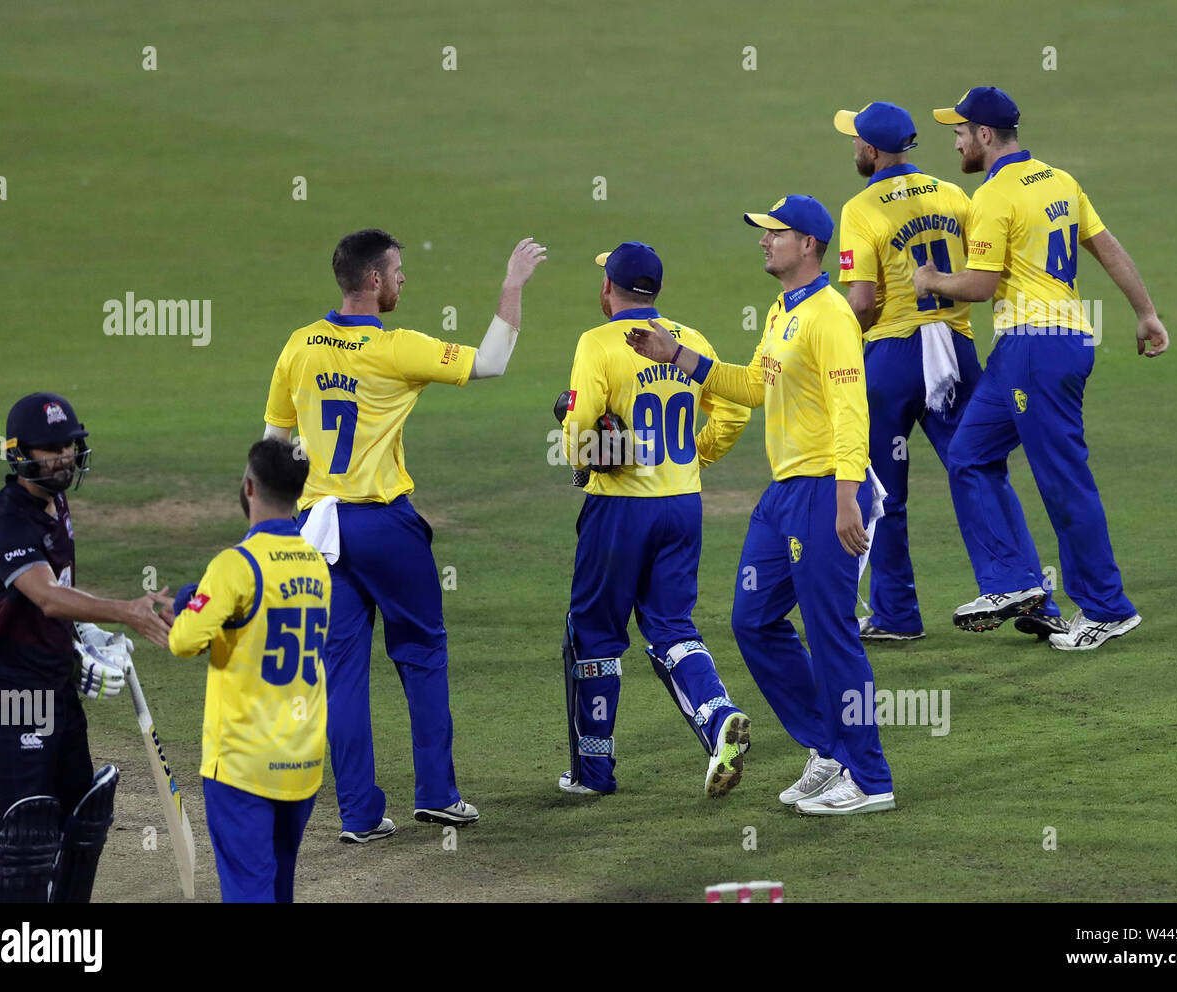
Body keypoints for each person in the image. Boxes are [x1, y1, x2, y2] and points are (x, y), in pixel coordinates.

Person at [263, 229, 546, 841]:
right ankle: (439, 795)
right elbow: (491, 361)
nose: (402, 281)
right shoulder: (398, 349)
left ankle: (360, 816)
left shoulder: (299, 347)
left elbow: (270, 449)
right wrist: (512, 285)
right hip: (383, 526)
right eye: (397, 273)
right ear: (372, 281)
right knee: (422, 654)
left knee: (340, 674)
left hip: (314, 530)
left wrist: (268, 538)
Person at [625, 197, 895, 816]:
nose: (764, 240)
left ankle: (870, 777)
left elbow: (853, 411)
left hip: (826, 488)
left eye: (775, 232)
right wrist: (679, 358)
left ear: (809, 245)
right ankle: (827, 749)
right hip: (783, 493)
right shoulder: (783, 312)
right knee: (752, 621)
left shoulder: (830, 316)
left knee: (832, 636)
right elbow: (753, 387)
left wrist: (847, 496)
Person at [915, 87, 1170, 650]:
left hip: (1039, 348)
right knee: (969, 455)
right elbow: (1106, 247)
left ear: (984, 136)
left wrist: (931, 282)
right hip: (1031, 348)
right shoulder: (1058, 180)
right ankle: (1013, 583)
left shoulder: (993, 195)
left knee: (1062, 480)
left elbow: (980, 286)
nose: (955, 142)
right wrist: (1145, 312)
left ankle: (1107, 607)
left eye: (959, 132)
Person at [833, 101, 1064, 640]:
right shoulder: (954, 194)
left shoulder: (860, 208)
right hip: (955, 354)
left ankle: (896, 615)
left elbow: (863, 301)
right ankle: (1034, 595)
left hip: (890, 361)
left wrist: (838, 346)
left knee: (885, 493)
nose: (852, 148)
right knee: (984, 470)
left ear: (870, 149)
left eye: (854, 140)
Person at [557, 241, 752, 798]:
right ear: (656, 291)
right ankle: (720, 721)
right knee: (671, 628)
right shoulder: (689, 342)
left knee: (594, 636)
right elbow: (734, 409)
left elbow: (577, 441)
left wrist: (587, 452)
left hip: (620, 510)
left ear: (607, 290)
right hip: (682, 504)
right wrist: (697, 453)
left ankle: (593, 773)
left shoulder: (596, 343)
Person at [0, 392, 173, 901]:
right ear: (19, 453)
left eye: (68, 444)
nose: (63, 456)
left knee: (81, 823)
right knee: (26, 838)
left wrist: (87, 635)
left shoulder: (56, 503)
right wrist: (124, 611)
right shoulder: (5, 521)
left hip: (56, 687)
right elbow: (47, 597)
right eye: (49, 448)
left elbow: (60, 591)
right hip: (10, 695)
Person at [166, 439, 328, 902]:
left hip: (243, 766)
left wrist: (188, 607)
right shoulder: (316, 564)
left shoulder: (235, 565)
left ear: (250, 487)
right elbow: (260, 624)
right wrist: (199, 602)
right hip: (301, 762)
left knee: (247, 890)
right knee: (278, 888)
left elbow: (183, 641)